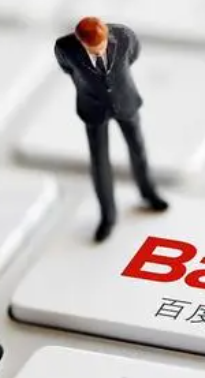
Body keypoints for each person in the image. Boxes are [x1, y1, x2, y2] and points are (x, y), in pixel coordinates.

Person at [55, 17, 168, 243]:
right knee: (99, 161)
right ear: (81, 42)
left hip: (126, 103)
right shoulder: (66, 48)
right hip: (93, 109)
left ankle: (148, 193)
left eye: (102, 45)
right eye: (92, 48)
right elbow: (68, 69)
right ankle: (108, 216)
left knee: (138, 148)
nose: (99, 51)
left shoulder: (123, 36)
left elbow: (133, 55)